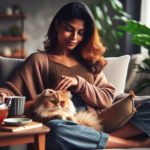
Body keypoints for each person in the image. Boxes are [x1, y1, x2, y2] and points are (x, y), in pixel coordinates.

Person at [0, 2, 150, 150]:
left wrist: (81, 84)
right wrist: (2, 95)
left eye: (81, 32)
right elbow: (10, 92)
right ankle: (129, 143)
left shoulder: (89, 62)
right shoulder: (38, 60)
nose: (74, 37)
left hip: (98, 122)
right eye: (68, 29)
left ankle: (103, 138)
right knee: (53, 130)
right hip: (62, 123)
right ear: (57, 25)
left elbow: (107, 97)